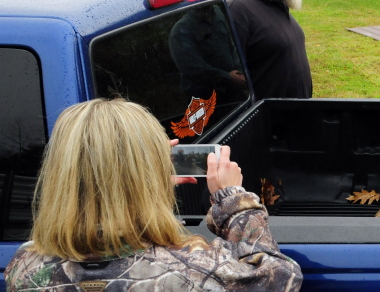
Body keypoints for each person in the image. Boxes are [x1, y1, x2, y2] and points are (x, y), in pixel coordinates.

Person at [3, 98, 303, 291]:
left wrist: (145, 187)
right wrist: (235, 203)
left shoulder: (24, 268)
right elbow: (278, 278)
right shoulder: (196, 269)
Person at [228, 0, 312, 99]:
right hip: (269, 120)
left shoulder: (276, 3)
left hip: (296, 116)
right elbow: (230, 79)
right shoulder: (237, 11)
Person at [169, 4, 248, 101]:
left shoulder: (218, 12)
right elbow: (193, 67)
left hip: (233, 90)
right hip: (205, 99)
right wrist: (228, 77)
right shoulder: (181, 30)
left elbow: (230, 44)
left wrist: (240, 72)